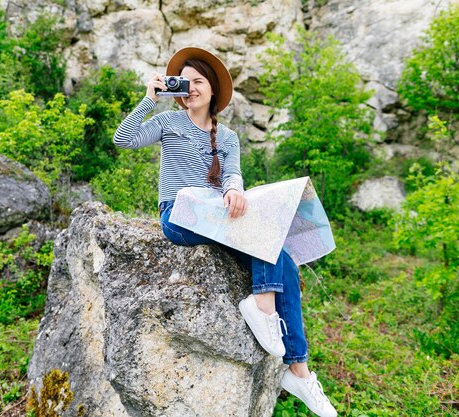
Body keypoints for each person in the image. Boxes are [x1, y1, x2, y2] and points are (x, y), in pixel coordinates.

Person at [113, 47, 338, 417]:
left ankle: (298, 370)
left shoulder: (228, 136)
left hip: (218, 217)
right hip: (179, 216)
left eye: (198, 81)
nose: (190, 88)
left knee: (283, 259)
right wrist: (148, 101)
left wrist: (233, 189)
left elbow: (232, 173)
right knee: (267, 239)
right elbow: (123, 139)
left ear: (213, 89)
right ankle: (262, 304)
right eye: (184, 82)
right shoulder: (170, 122)